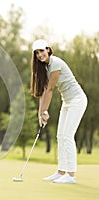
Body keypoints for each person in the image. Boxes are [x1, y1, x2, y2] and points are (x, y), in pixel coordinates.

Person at [30, 39, 87, 184]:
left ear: (48, 50)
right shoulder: (44, 68)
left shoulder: (55, 63)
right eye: (37, 53)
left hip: (77, 100)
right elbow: (43, 91)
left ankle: (71, 175)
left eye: (42, 51)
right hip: (67, 102)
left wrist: (45, 111)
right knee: (60, 136)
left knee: (67, 136)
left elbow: (50, 90)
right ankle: (61, 171)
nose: (40, 55)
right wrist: (40, 113)